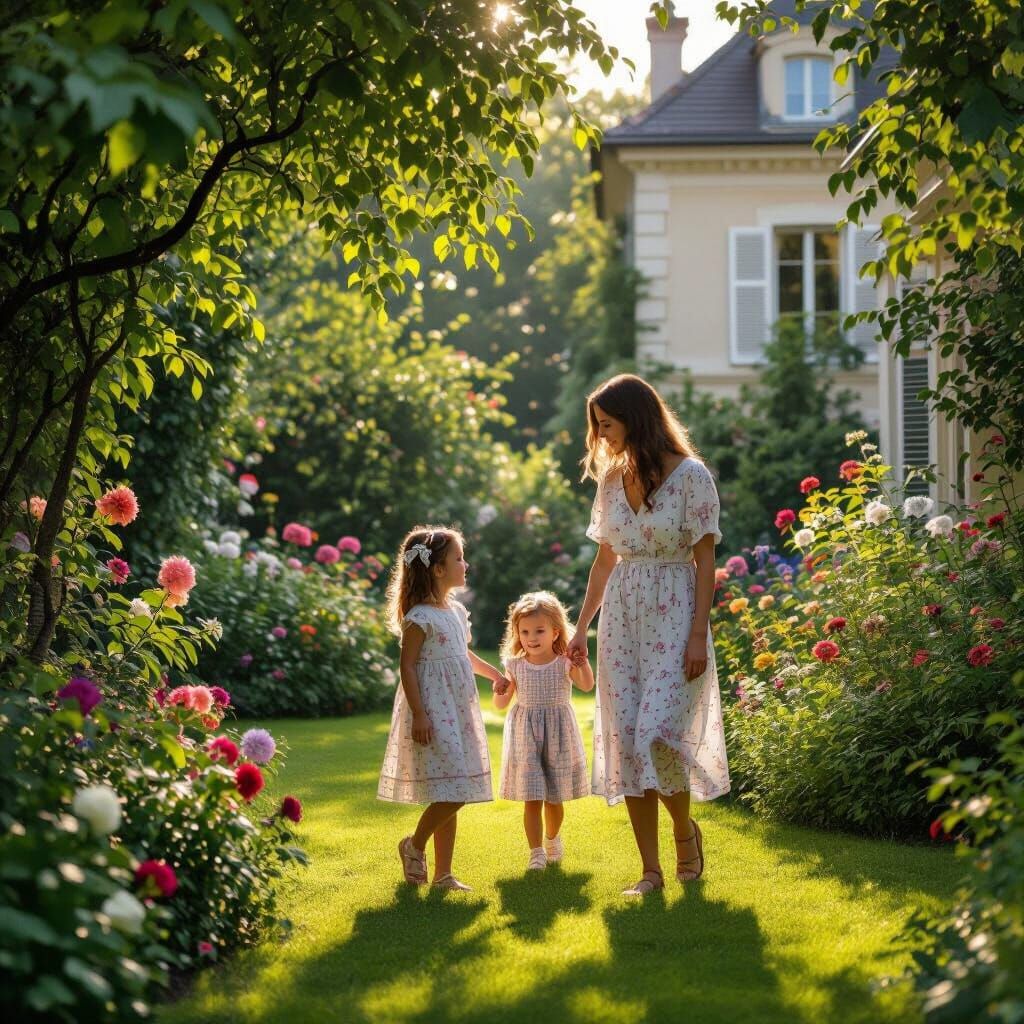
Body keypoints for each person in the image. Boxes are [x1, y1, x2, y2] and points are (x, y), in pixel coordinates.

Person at [566, 374, 730, 896]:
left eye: (607, 424)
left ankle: (685, 834)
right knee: (628, 744)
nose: (602, 436)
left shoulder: (692, 477)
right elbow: (604, 559)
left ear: (635, 418)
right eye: (597, 426)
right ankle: (650, 871)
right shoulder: (611, 481)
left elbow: (705, 563)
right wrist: (580, 628)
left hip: (676, 609)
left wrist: (698, 634)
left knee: (657, 734)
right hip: (622, 617)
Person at [378, 526, 509, 891]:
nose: (465, 564)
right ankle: (414, 845)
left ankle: (444, 874)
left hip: (458, 707)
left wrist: (492, 674)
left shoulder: (453, 611)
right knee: (455, 790)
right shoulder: (419, 617)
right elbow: (407, 666)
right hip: (434, 710)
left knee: (449, 787)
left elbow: (462, 655)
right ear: (438, 569)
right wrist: (420, 713)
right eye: (458, 558)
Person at [494, 591, 594, 872]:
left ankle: (552, 838)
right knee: (532, 796)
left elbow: (587, 685)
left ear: (555, 632)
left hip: (558, 734)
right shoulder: (515, 665)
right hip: (525, 736)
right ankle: (536, 852)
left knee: (554, 797)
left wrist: (581, 663)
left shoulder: (563, 662)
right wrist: (499, 690)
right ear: (517, 633)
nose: (531, 637)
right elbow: (501, 704)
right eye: (524, 631)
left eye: (539, 630)